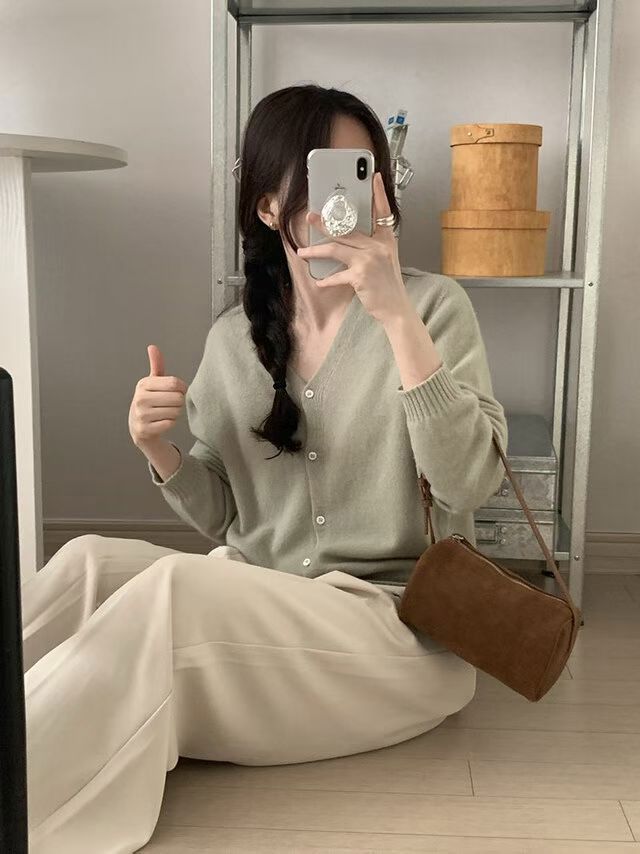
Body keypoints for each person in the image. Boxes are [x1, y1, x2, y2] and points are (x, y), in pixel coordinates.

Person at [21, 83, 508, 854]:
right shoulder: (234, 339)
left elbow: (469, 482)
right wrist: (157, 449)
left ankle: (19, 804)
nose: (343, 198)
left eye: (361, 170)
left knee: (176, 590)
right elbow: (224, 514)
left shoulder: (433, 309)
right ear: (267, 204)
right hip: (265, 601)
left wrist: (394, 317)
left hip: (395, 631)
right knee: (84, 562)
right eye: (319, 174)